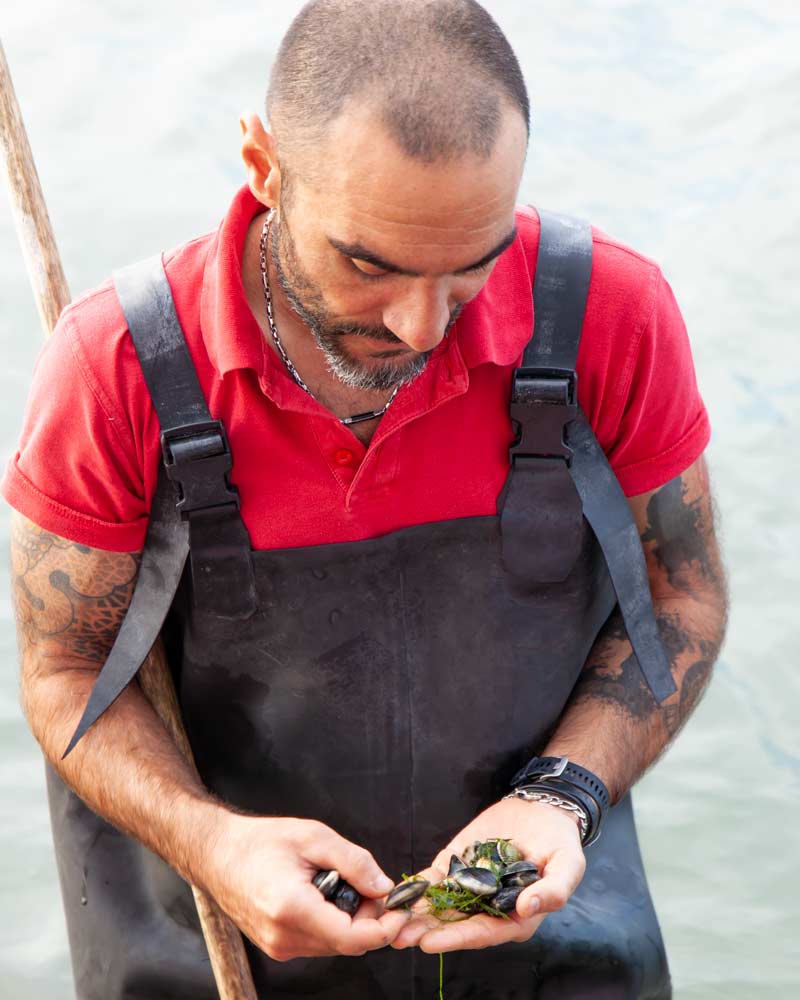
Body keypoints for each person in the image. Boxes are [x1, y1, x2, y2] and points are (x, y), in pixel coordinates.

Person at [4, 1, 728, 997]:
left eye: (470, 266)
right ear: (263, 166)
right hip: (213, 953)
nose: (423, 325)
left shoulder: (611, 314)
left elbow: (679, 596)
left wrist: (562, 795)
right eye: (368, 264)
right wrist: (212, 842)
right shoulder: (116, 365)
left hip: (542, 931)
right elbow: (63, 666)